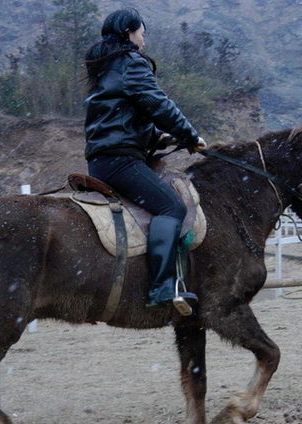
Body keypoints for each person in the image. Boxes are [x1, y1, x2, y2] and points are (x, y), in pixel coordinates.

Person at [83, 8, 206, 310]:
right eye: (142, 34)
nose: (144, 41)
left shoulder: (107, 68)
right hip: (121, 160)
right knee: (170, 206)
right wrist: (191, 136)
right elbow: (158, 104)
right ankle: (163, 286)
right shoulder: (130, 62)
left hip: (104, 158)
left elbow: (123, 117)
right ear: (129, 32)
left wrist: (160, 139)